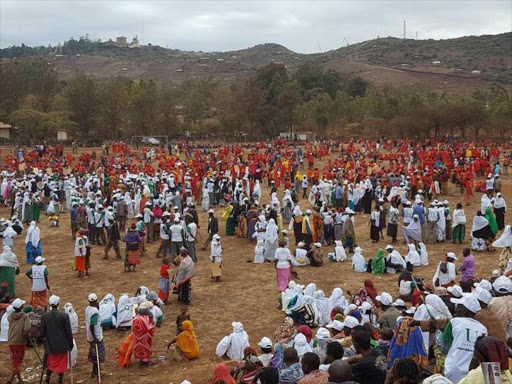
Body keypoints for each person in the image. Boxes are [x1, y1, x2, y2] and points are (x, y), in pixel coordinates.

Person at [440, 294, 487, 383]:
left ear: (464, 310)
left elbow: (444, 349)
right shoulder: (483, 329)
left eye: (459, 306)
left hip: (452, 371)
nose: (456, 308)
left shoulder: (454, 322)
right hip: (473, 374)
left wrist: (437, 332)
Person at [41, 295, 74, 384]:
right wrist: (71, 344)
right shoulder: (64, 316)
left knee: (51, 362)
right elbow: (68, 332)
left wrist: (45, 343)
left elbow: (43, 333)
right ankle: (60, 380)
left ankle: (47, 378)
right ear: (58, 304)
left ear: (49, 304)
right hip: (62, 345)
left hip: (50, 345)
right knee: (61, 363)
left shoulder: (44, 316)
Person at [6, 298, 31, 384]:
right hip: (20, 342)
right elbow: (27, 329)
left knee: (14, 360)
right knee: (18, 361)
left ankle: (13, 378)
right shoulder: (25, 317)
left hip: (11, 341)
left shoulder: (10, 316)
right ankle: (15, 378)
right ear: (21, 307)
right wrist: (26, 335)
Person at [85, 293, 106, 379]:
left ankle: (95, 371)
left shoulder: (88, 308)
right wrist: (95, 337)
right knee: (97, 355)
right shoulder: (94, 312)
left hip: (90, 336)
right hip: (95, 336)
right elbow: (92, 325)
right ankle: (96, 372)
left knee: (95, 354)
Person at [132, 301, 156, 366]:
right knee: (146, 345)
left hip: (137, 335)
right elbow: (150, 328)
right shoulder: (147, 317)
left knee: (139, 345)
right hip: (145, 335)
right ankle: (146, 360)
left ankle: (141, 359)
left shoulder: (136, 317)